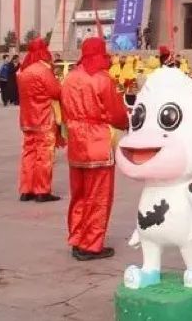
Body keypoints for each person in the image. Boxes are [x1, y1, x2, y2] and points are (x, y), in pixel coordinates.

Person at [60, 38, 130, 260]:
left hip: (76, 141)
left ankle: (77, 238)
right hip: (98, 141)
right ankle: (91, 244)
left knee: (79, 194)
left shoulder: (69, 78)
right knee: (98, 196)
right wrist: (126, 124)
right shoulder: (102, 79)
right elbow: (116, 113)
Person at [17, 38, 64, 203]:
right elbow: (56, 92)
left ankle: (26, 189)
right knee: (44, 154)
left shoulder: (24, 71)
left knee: (29, 153)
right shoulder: (44, 71)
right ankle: (42, 190)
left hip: (27, 119)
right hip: (43, 118)